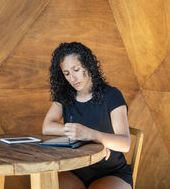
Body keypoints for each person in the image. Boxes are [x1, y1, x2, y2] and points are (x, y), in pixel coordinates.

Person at [42, 42, 133, 189]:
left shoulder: (112, 95)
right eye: (66, 74)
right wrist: (79, 134)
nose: (72, 78)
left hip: (110, 172)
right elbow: (47, 127)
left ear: (88, 66)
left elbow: (125, 143)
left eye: (76, 70)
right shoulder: (65, 96)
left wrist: (90, 134)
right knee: (45, 183)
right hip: (75, 169)